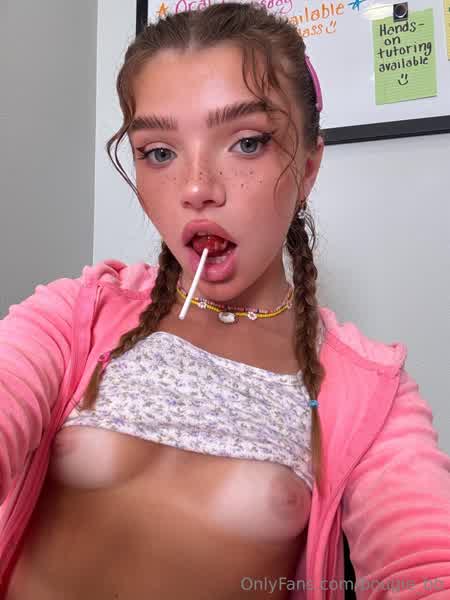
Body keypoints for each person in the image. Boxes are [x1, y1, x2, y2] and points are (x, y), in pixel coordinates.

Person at [1, 3, 449, 599]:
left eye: (246, 143)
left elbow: (424, 567)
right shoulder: (76, 314)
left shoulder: (371, 391)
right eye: (159, 152)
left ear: (308, 166)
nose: (196, 188)